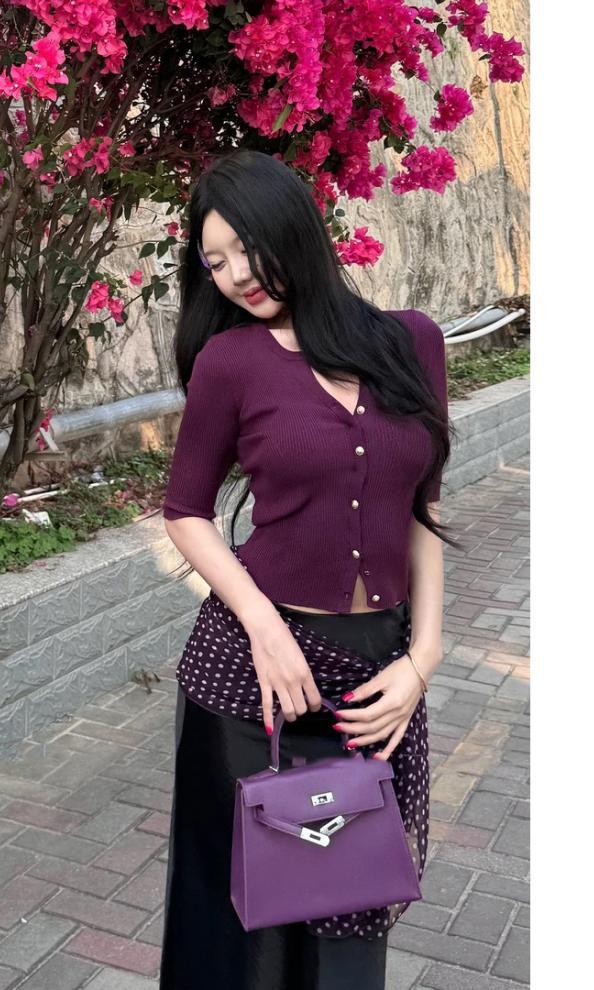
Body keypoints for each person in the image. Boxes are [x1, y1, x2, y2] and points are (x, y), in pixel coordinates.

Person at [158, 149, 459, 990]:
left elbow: (423, 508)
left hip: (376, 679)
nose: (235, 275)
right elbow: (185, 511)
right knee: (244, 931)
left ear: (294, 226)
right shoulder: (230, 362)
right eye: (214, 261)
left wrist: (424, 656)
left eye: (245, 247)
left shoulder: (412, 341)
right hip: (252, 682)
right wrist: (263, 627)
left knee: (349, 918)